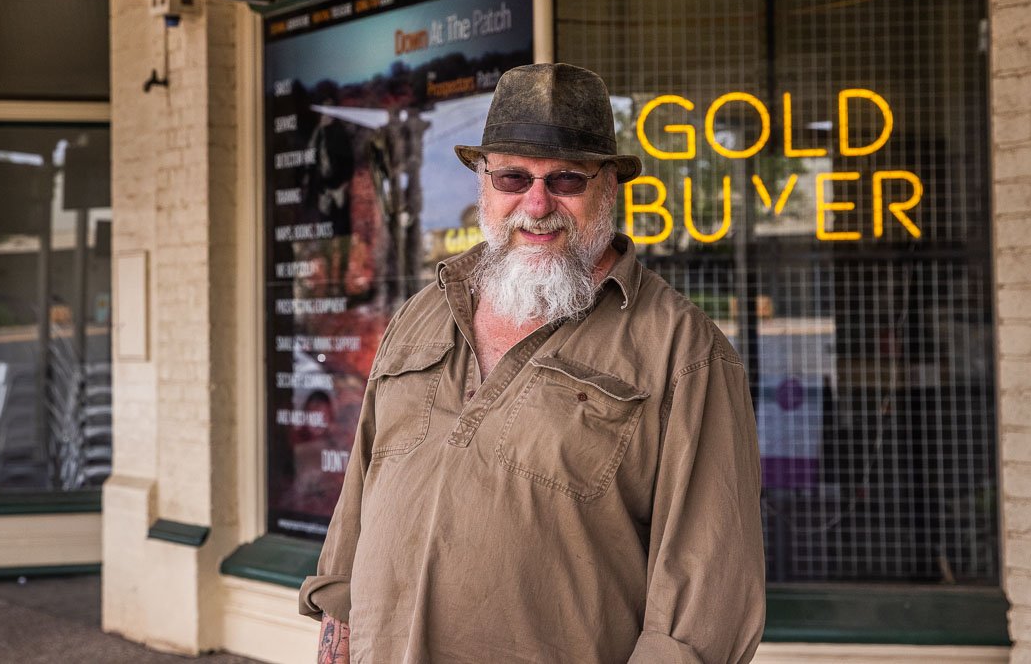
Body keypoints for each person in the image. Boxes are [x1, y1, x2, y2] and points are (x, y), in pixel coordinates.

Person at [298, 63, 765, 663]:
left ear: (609, 187)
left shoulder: (684, 352)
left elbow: (707, 597)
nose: (536, 203)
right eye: (513, 177)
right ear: (484, 185)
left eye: (566, 179)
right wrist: (336, 625)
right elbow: (362, 487)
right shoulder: (422, 312)